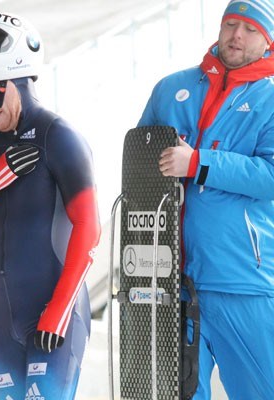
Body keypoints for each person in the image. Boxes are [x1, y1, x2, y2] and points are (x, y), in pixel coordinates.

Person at [0, 12, 101, 400]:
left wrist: (59, 310)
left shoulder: (58, 137)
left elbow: (89, 228)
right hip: (2, 319)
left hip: (54, 315)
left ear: (14, 80)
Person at [138, 1, 274, 398]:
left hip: (242, 279)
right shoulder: (170, 89)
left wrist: (198, 162)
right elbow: (138, 165)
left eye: (250, 29)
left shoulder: (270, 99)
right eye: (231, 24)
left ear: (268, 40)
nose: (236, 35)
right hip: (170, 279)